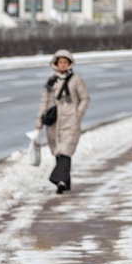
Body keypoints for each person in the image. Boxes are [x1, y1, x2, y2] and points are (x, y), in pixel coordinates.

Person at [36, 49, 90, 194]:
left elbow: (85, 98)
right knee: (58, 152)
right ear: (56, 63)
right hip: (53, 122)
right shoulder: (50, 81)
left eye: (65, 62)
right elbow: (44, 101)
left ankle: (57, 178)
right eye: (60, 62)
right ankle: (64, 183)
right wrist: (39, 120)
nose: (63, 65)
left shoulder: (76, 79)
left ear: (70, 63)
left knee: (65, 151)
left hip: (70, 121)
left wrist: (77, 114)